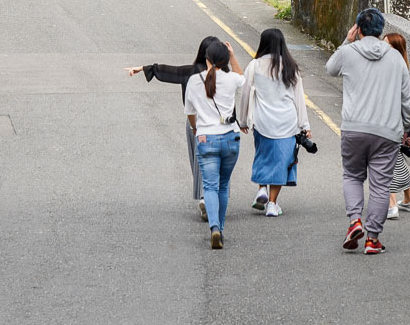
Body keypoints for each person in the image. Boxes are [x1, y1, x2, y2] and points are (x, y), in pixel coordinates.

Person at [326, 8, 410, 255]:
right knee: (380, 185)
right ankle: (372, 238)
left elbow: (330, 69)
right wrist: (408, 127)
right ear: (381, 30)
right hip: (387, 132)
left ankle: (355, 221)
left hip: (354, 128)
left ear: (359, 29)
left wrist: (347, 40)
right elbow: (406, 99)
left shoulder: (347, 52)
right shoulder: (396, 58)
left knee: (353, 175)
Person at [126, 38, 242, 221]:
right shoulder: (228, 77)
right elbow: (240, 84)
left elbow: (166, 71)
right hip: (226, 129)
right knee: (223, 172)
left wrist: (143, 68)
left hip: (198, 127)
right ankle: (218, 207)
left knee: (200, 164)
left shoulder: (191, 74)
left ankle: (205, 198)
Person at [238, 28, 310, 218]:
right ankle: (272, 203)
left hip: (263, 121)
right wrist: (305, 126)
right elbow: (299, 99)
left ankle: (262, 188)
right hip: (287, 123)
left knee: (263, 156)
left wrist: (243, 119)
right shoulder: (291, 67)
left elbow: (245, 93)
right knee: (281, 162)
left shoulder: (254, 66)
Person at [185, 39, 245, 249]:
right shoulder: (230, 80)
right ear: (224, 60)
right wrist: (233, 54)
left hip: (206, 138)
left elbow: (190, 113)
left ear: (207, 59)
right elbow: (242, 78)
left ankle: (215, 228)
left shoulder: (194, 81)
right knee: (223, 185)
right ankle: (220, 226)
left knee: (209, 186)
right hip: (230, 138)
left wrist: (196, 129)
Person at [384, 33, 410, 220]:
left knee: (383, 163)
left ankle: (391, 205)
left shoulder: (393, 68)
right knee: (397, 160)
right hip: (398, 124)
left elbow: (406, 101)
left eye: (387, 45)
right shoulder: (401, 66)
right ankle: (408, 200)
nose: (383, 48)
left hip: (390, 124)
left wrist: (409, 127)